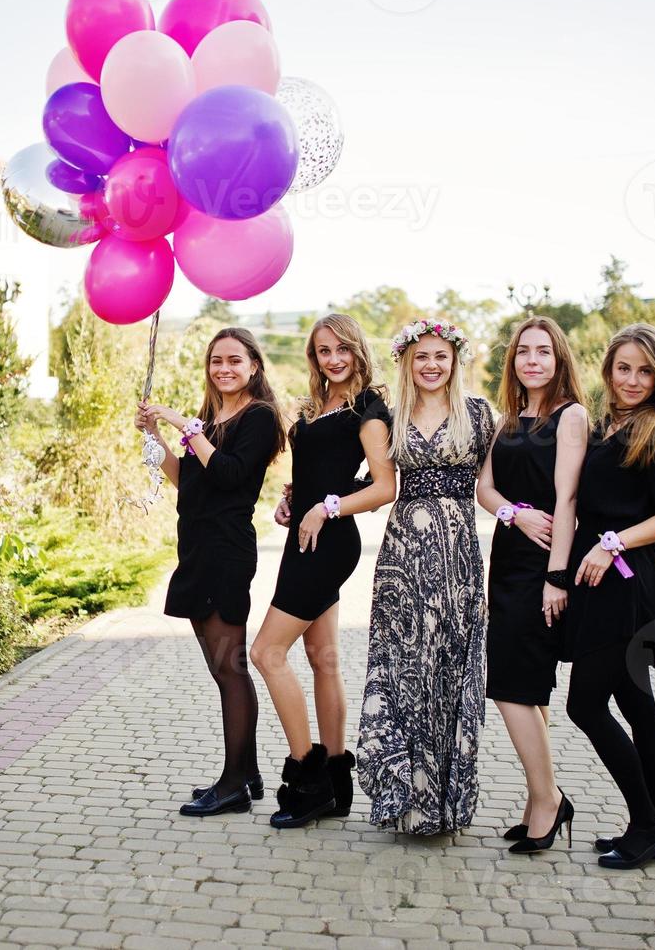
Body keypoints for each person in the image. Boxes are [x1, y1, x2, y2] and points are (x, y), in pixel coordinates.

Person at [564, 323, 655, 869]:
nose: (633, 379)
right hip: (612, 585)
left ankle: (648, 825)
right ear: (608, 369)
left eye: (645, 371)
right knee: (638, 707)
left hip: (627, 587)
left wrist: (610, 542)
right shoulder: (606, 426)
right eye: (624, 368)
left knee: (585, 705)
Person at [250, 314, 394, 829]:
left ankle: (307, 781)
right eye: (322, 351)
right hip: (303, 535)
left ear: (358, 350)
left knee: (266, 653)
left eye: (341, 350)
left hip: (329, 542)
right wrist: (295, 501)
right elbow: (317, 470)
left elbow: (383, 487)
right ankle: (335, 782)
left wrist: (326, 507)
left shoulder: (370, 411)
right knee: (324, 658)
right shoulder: (317, 406)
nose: (332, 359)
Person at [136, 327, 287, 817]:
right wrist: (155, 437)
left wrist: (185, 428)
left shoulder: (259, 418)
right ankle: (248, 774)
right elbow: (190, 481)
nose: (224, 369)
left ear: (254, 367)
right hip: (197, 549)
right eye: (216, 361)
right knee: (224, 669)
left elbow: (227, 475)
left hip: (225, 551)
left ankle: (233, 783)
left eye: (234, 360)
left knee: (229, 669)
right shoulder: (209, 418)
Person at [356, 319, 495, 836]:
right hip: (402, 562)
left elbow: (497, 485)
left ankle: (445, 803)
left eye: (440, 356)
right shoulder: (389, 415)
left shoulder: (480, 415)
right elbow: (368, 478)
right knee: (404, 670)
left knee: (447, 672)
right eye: (421, 357)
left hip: (458, 559)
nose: (431, 365)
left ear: (455, 360)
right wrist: (300, 501)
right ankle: (406, 800)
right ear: (406, 363)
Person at [477, 316, 589, 853]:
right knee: (526, 687)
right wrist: (513, 515)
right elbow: (485, 488)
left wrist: (557, 578)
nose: (533, 360)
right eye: (524, 351)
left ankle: (549, 800)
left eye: (543, 351)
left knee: (510, 687)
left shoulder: (571, 417)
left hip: (545, 568)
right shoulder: (506, 421)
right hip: (507, 559)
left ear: (558, 358)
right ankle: (538, 798)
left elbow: (568, 501)